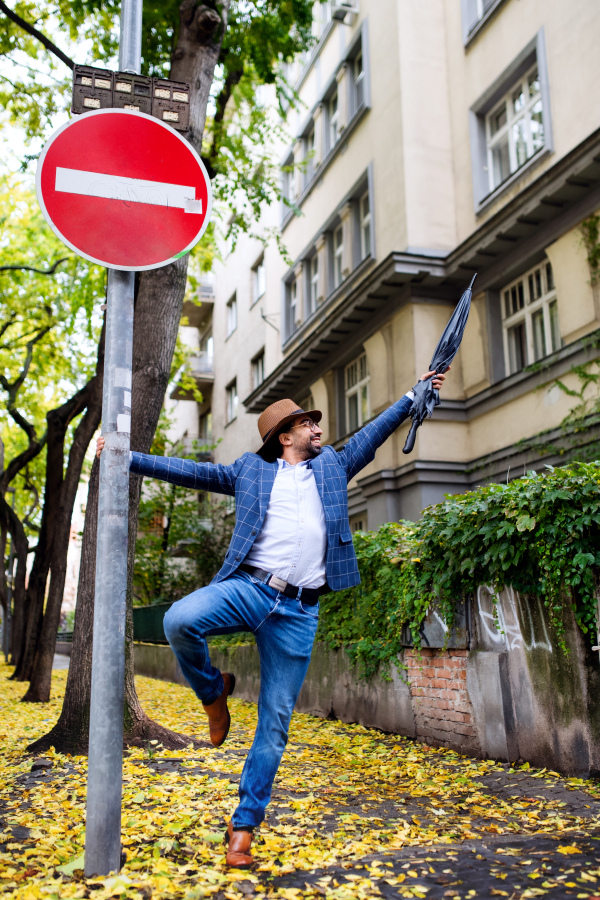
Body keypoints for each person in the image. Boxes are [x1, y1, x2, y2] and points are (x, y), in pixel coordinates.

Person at [96, 368, 447, 867]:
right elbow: (191, 472)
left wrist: (415, 393)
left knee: (275, 723)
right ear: (285, 437)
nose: (317, 429)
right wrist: (126, 457)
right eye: (307, 424)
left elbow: (376, 430)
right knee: (178, 620)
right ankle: (213, 692)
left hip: (299, 612)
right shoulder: (251, 471)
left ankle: (243, 828)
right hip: (250, 589)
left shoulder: (333, 466)